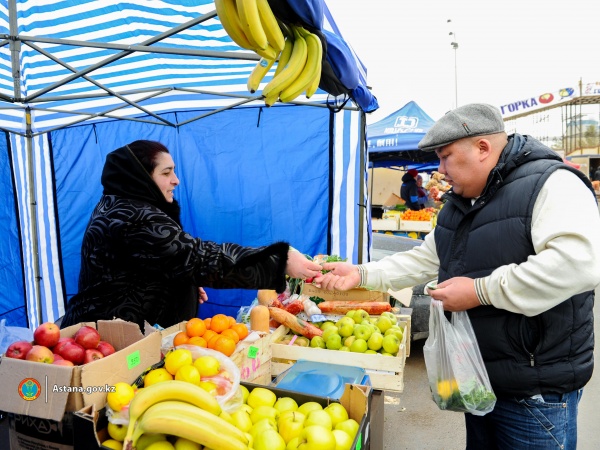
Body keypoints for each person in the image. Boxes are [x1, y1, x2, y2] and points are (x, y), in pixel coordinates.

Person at [314, 104, 600, 449]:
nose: (440, 169)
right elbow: (426, 258)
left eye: (446, 156)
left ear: (482, 148)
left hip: (534, 393)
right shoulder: (462, 202)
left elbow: (577, 264)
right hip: (478, 379)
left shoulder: (552, 184)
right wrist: (360, 274)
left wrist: (480, 291)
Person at [60, 140, 322, 330]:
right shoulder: (133, 216)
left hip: (107, 330)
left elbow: (143, 261)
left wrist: (177, 279)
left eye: (174, 171)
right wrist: (278, 260)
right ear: (139, 178)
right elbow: (198, 257)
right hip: (104, 341)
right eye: (166, 173)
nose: (176, 180)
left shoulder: (117, 203)